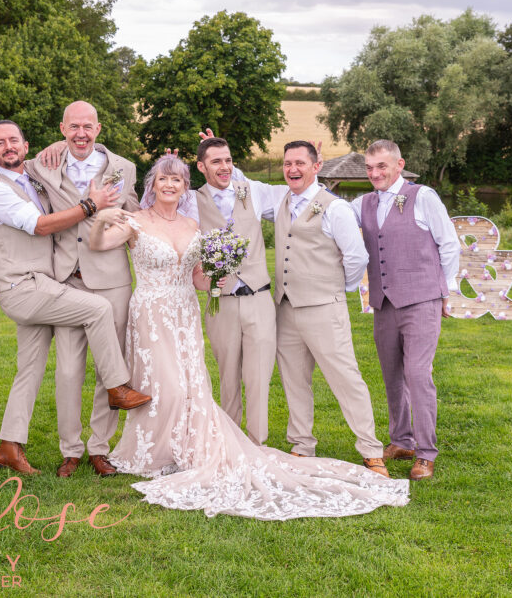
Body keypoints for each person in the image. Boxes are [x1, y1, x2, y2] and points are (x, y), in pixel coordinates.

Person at [88, 154, 409, 520]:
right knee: (171, 386)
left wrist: (214, 278)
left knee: (199, 384)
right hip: (152, 310)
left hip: (200, 308)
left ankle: (213, 447)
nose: (171, 185)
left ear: (184, 186)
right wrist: (100, 218)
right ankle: (158, 451)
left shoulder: (210, 215)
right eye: (164, 179)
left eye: (177, 180)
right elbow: (99, 243)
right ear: (153, 183)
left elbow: (197, 275)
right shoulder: (138, 220)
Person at [0, 120, 150, 475]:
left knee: (34, 366)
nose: (9, 147)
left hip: (87, 278)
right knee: (72, 361)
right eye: (0, 143)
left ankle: (26, 446)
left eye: (15, 140)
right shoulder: (12, 181)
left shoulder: (44, 174)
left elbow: (133, 210)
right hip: (47, 282)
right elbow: (41, 226)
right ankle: (83, 434)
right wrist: (91, 203)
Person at [25, 101, 141, 477]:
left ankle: (99, 448)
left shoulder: (124, 168)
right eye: (74, 127)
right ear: (62, 129)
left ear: (99, 128)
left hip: (111, 280)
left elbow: (136, 217)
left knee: (110, 369)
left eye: (87, 126)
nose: (81, 133)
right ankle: (70, 450)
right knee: (69, 370)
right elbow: (10, 167)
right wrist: (42, 151)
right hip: (64, 279)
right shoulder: (45, 164)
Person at [273, 141, 389, 477]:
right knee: (294, 380)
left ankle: (371, 450)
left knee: (345, 378)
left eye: (300, 163)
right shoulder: (280, 201)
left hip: (325, 307)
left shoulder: (335, 208)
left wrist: (338, 289)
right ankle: (301, 445)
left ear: (315, 166)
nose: (293, 169)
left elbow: (356, 257)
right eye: (287, 163)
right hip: (286, 307)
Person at [351, 139, 460, 481]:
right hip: (383, 303)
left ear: (399, 165)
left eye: (381, 166)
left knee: (417, 374)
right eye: (369, 168)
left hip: (422, 299)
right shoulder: (363, 203)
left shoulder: (423, 196)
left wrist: (448, 290)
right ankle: (401, 440)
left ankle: (426, 453)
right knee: (392, 376)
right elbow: (328, 212)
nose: (374, 174)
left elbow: (449, 242)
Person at [181, 135, 287, 446]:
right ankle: (228, 445)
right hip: (220, 303)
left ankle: (257, 444)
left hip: (259, 299)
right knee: (228, 379)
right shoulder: (190, 200)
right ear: (201, 166)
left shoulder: (252, 190)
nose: (225, 166)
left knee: (258, 379)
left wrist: (313, 168)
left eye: (228, 160)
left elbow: (296, 195)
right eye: (216, 161)